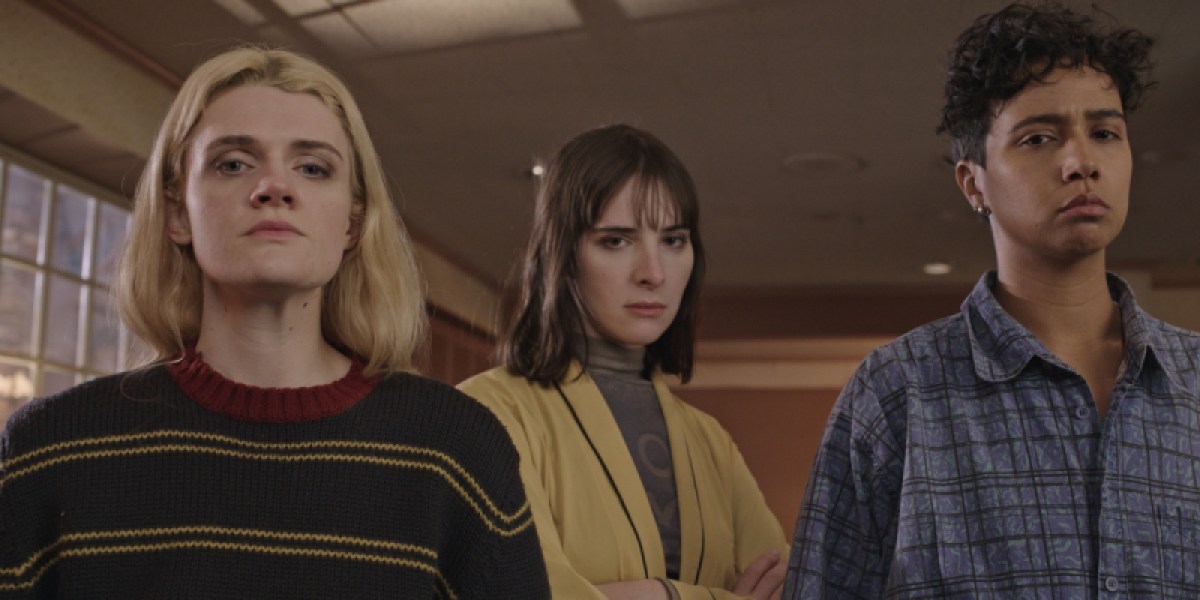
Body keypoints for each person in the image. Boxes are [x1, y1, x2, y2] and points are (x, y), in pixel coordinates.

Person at [0, 47, 548, 599]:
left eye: (313, 168)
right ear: (177, 214)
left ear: (352, 225)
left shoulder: (458, 449)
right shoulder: (48, 450)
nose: (275, 188)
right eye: (234, 163)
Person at [784, 3, 1200, 598]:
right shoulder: (900, 393)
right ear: (973, 181)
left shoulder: (1194, 382)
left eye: (1105, 133)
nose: (1082, 162)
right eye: (1038, 137)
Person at [459, 124, 787, 600]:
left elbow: (791, 586)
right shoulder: (485, 412)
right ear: (563, 255)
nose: (653, 273)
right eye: (616, 240)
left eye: (673, 240)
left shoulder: (711, 442)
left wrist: (648, 593)